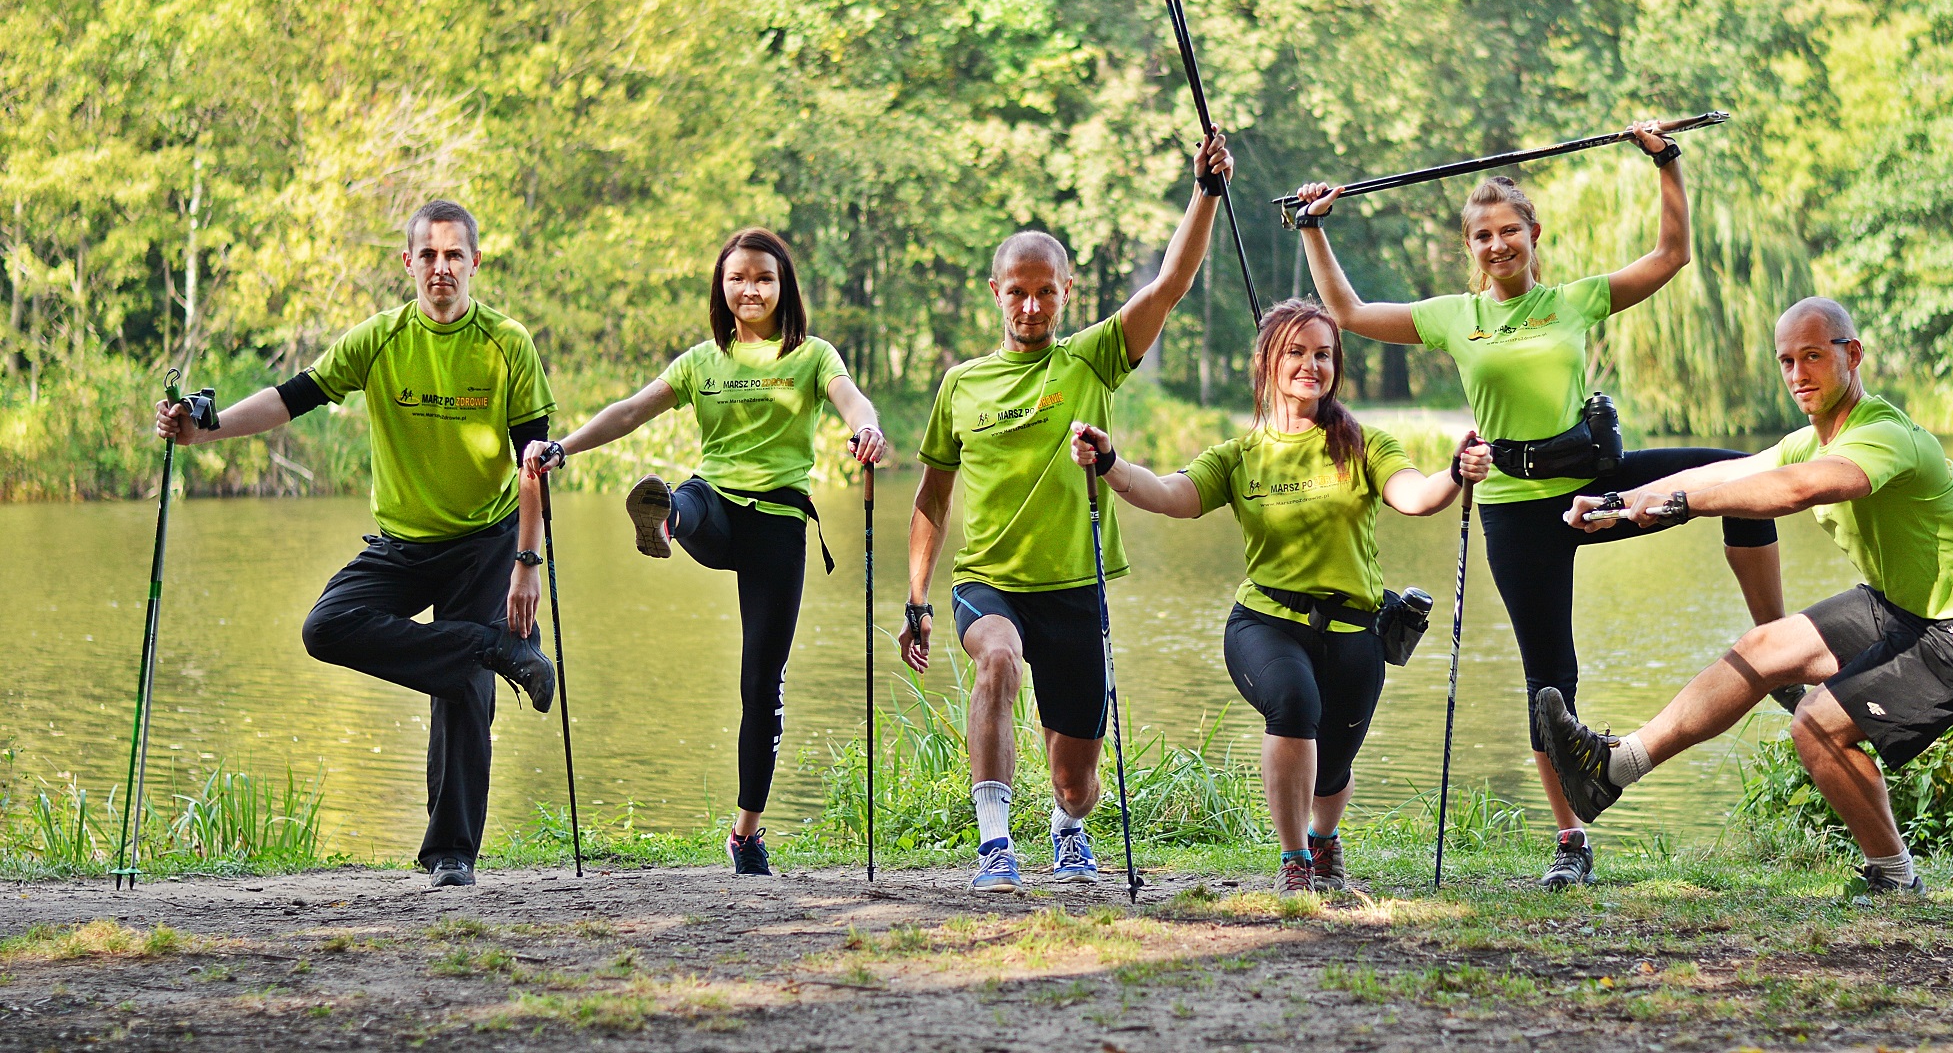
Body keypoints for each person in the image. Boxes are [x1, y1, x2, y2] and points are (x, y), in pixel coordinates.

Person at [1291, 120, 1785, 889]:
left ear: (1533, 234)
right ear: (1470, 246)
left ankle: (1774, 638)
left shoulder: (1573, 302)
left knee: (1745, 475)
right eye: (1482, 235)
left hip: (1594, 488)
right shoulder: (1457, 317)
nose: (1497, 246)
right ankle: (1570, 842)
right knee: (1550, 678)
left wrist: (1667, 162)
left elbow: (1671, 257)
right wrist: (1315, 228)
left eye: (1509, 231)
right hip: (1520, 512)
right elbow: (1350, 314)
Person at [1538, 297, 1953, 895]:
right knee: (1764, 648)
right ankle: (1612, 769)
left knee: (1817, 726)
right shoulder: (1811, 437)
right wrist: (1623, 503)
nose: (1798, 374)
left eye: (1812, 356)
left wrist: (1684, 506)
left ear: (1852, 355)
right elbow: (1730, 476)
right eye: (1786, 361)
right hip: (1904, 606)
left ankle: (1892, 876)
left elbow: (1797, 489)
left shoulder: (1883, 434)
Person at [154, 200, 558, 888]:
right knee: (328, 626)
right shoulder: (380, 338)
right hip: (403, 541)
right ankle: (492, 649)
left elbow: (533, 464)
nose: (441, 267)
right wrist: (204, 428)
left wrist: (526, 563)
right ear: (408, 263)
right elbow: (290, 398)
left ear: (474, 263)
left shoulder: (507, 343)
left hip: (485, 542)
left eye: (454, 255)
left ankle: (451, 856)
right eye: (427, 255)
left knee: (464, 691)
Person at [897, 131, 1235, 894]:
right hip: (990, 585)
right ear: (994, 292)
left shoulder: (1089, 359)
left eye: (1046, 290)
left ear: (1067, 291)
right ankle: (994, 847)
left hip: (1077, 588)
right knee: (997, 661)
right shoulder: (963, 385)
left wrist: (1205, 192)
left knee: (1076, 784)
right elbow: (931, 498)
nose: (1030, 304)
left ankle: (1066, 830)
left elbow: (1171, 283)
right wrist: (918, 598)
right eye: (1017, 290)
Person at [1067, 298, 1492, 894]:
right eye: (1295, 352)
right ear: (1268, 361)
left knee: (1334, 766)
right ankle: (1294, 861)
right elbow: (1168, 494)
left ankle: (1323, 838)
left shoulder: (1365, 443)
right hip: (1265, 622)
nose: (1310, 365)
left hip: (1355, 631)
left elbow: (1416, 496)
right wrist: (1110, 463)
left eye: (1323, 354)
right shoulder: (1240, 455)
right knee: (1294, 708)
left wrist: (1456, 471)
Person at [522, 228, 884, 876]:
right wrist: (563, 448)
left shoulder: (810, 355)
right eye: (738, 277)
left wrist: (867, 428)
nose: (751, 288)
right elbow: (632, 411)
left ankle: (746, 833)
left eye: (764, 278)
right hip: (714, 509)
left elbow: (849, 397)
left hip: (777, 526)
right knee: (688, 497)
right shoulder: (701, 361)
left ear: (783, 288)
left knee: (761, 687)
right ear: (721, 286)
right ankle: (664, 522)